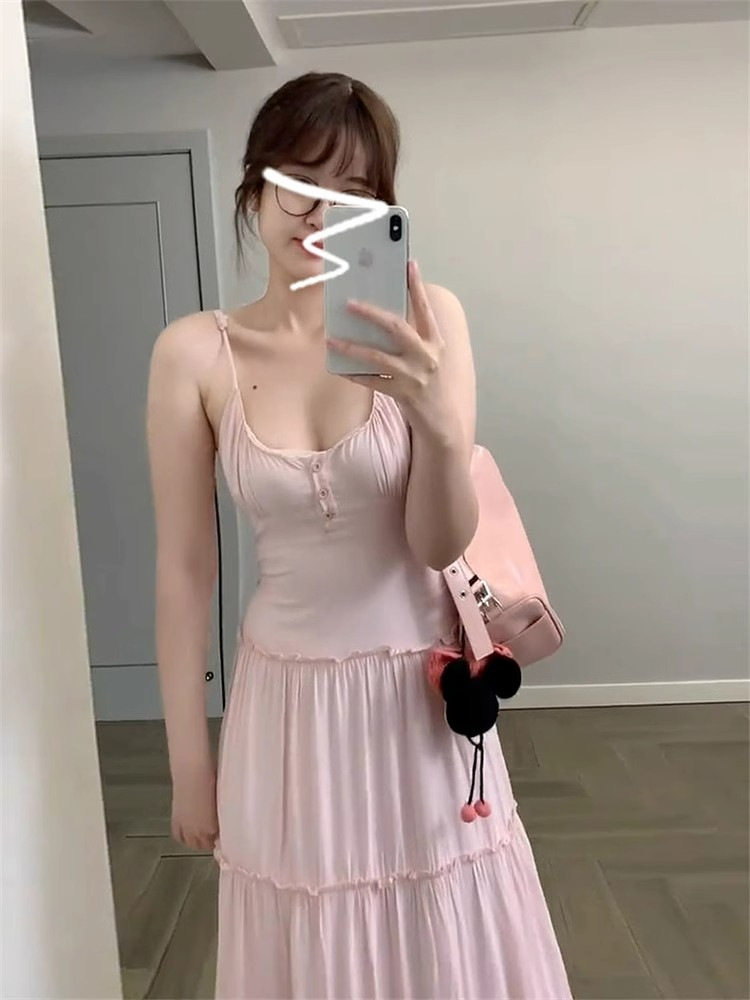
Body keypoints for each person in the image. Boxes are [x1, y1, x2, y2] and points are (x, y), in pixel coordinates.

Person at [147, 71, 572, 1000]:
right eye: (299, 181)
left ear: (382, 210)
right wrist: (189, 763)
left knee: (441, 934)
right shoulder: (193, 353)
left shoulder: (430, 321)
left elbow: (437, 543)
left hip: (414, 697)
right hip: (286, 709)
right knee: (312, 940)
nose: (318, 211)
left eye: (352, 191)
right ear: (253, 188)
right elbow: (183, 571)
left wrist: (437, 424)